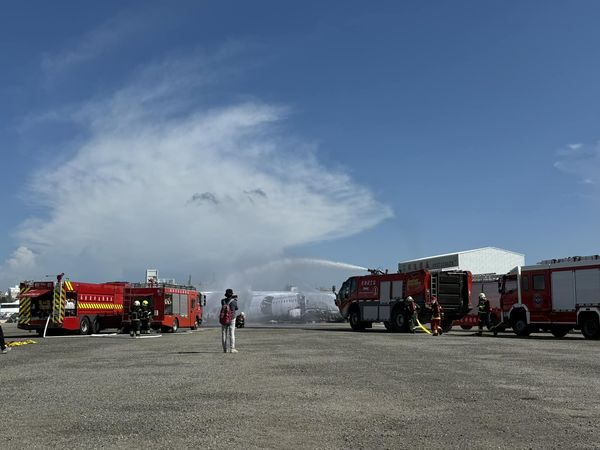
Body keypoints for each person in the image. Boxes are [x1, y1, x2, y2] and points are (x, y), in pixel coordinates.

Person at [221, 289, 238, 353]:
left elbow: (223, 305)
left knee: (224, 334)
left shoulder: (222, 301)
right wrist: (235, 300)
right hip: (232, 318)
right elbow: (236, 308)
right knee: (231, 333)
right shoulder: (234, 301)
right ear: (232, 294)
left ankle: (225, 349)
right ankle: (232, 348)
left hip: (224, 319)